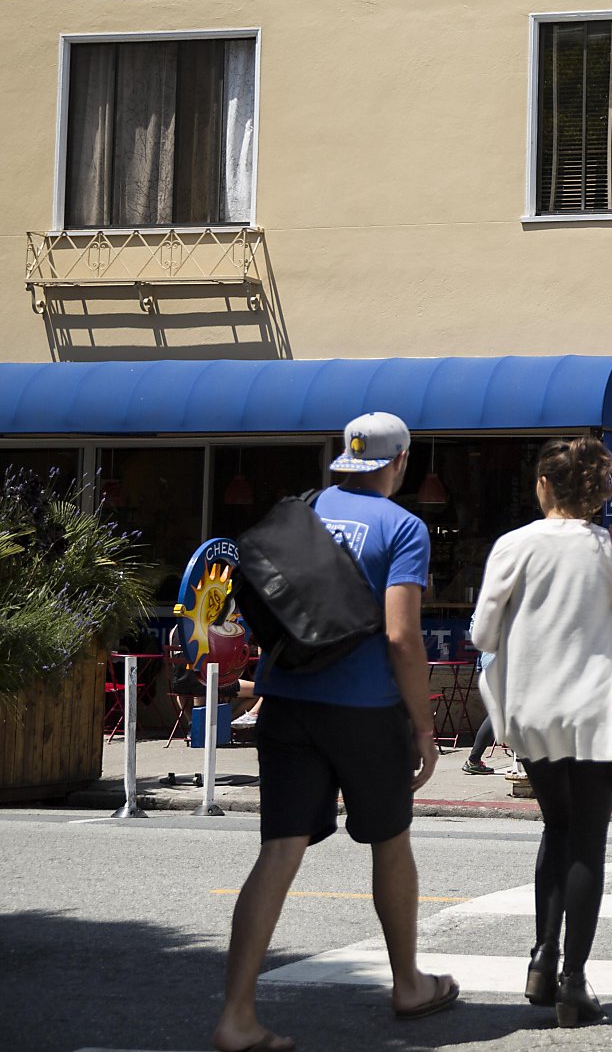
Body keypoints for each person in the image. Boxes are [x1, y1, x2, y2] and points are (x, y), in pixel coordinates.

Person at [213, 412, 455, 1052]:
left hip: (286, 699)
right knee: (389, 840)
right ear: (400, 462)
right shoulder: (403, 527)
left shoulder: (306, 509)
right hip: (364, 709)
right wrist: (426, 729)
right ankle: (409, 984)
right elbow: (402, 637)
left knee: (279, 852)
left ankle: (237, 1016)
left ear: (343, 460)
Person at [471, 439, 612, 1029]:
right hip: (593, 712)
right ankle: (572, 981)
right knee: (587, 843)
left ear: (546, 486)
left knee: (556, 825)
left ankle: (540, 957)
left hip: (532, 713)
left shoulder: (514, 546)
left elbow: (481, 634)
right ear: (596, 494)